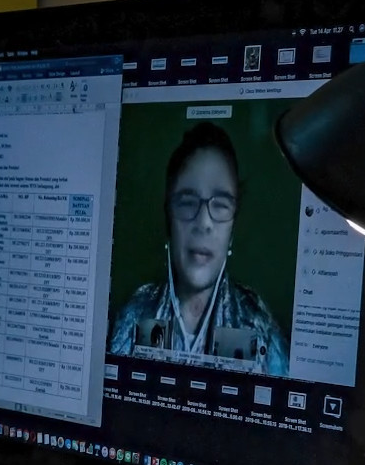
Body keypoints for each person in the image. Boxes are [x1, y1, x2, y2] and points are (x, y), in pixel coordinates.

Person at [107, 122, 288, 374]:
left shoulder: (258, 326)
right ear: (169, 218)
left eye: (221, 205)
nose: (204, 223)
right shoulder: (135, 314)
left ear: (233, 229)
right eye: (187, 202)